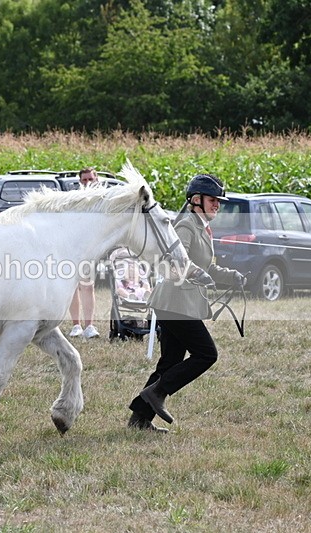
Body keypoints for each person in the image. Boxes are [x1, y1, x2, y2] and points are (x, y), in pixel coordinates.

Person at [127, 173, 245, 433]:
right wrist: (195, 273)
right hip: (175, 303)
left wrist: (230, 277)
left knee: (169, 362)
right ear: (195, 200)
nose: (217, 204)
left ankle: (140, 417)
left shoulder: (202, 227)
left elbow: (206, 266)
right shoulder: (185, 226)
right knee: (206, 354)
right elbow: (175, 263)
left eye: (218, 200)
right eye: (212, 199)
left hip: (182, 304)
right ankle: (157, 392)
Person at [68, 167, 100, 339]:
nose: (87, 183)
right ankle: (76, 325)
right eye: (84, 180)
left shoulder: (101, 201)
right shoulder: (75, 200)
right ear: (80, 181)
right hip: (73, 247)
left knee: (88, 286)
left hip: (89, 248)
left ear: (97, 180)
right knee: (73, 287)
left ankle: (89, 326)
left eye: (90, 179)